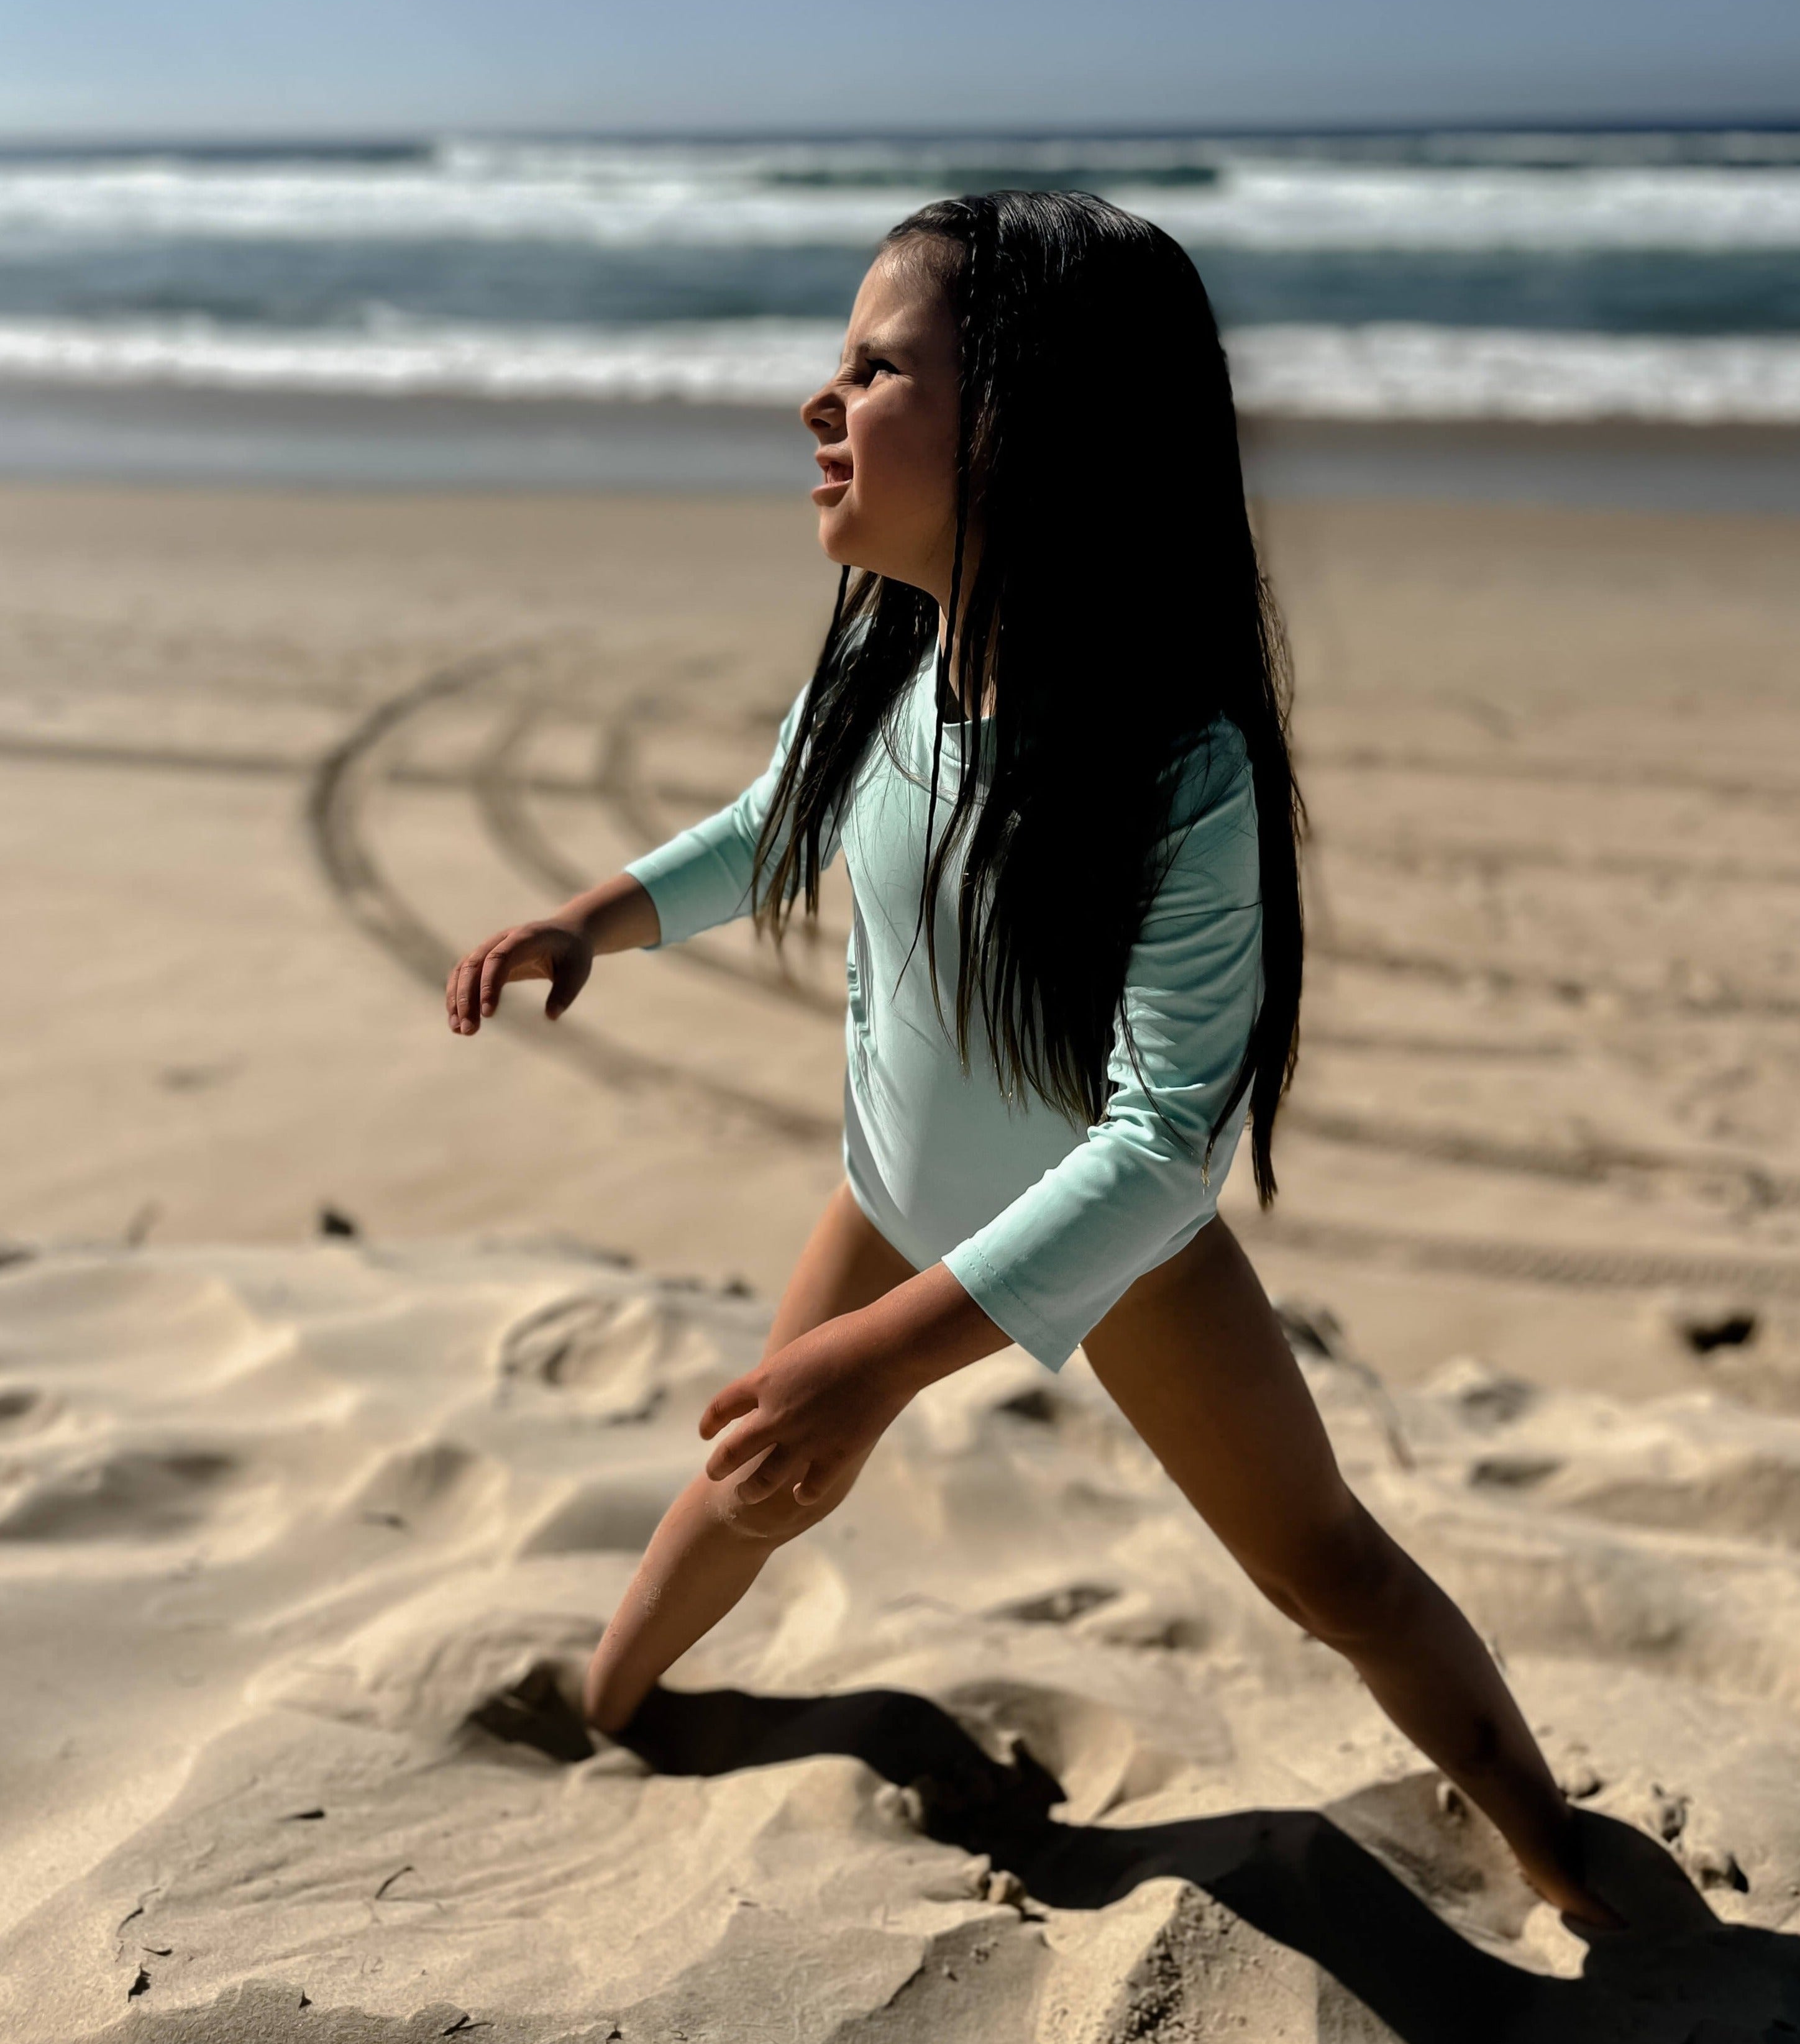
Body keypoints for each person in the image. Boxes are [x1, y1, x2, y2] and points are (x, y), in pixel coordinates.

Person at [444, 191, 1622, 1932]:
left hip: (1100, 1236)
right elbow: (773, 817)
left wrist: (885, 1357)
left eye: (873, 366)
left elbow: (1158, 1145)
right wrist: (589, 916)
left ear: (1023, 424)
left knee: (1328, 1566)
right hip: (890, 1185)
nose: (816, 403)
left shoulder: (1170, 761)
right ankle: (599, 1714)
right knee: (750, 1470)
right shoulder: (890, 678)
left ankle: (1560, 1859)